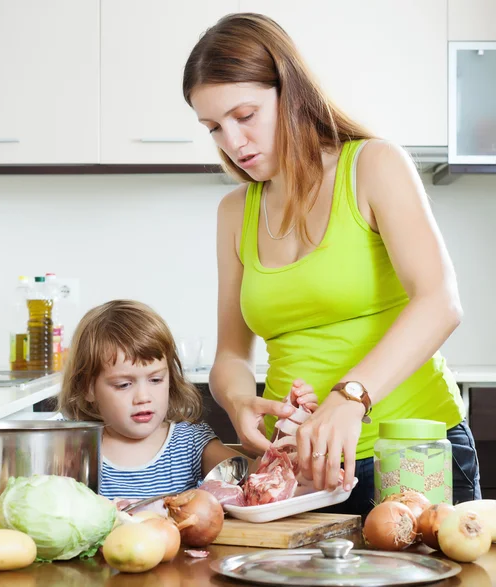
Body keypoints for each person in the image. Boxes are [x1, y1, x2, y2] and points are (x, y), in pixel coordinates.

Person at [182, 12, 481, 515]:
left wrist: (350, 397)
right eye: (213, 127)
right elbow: (231, 355)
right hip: (297, 469)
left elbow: (440, 302)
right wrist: (238, 402)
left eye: (245, 115)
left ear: (290, 92)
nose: (232, 143)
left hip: (406, 452)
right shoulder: (235, 212)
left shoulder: (373, 166)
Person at [0, 299, 318, 500]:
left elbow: (255, 480)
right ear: (88, 387)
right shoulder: (71, 443)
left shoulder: (189, 443)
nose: (143, 397)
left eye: (155, 379)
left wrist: (291, 437)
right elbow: (11, 473)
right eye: (123, 385)